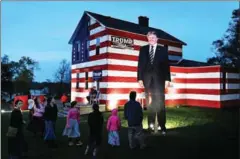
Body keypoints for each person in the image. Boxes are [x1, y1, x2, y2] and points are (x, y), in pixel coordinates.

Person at [137, 31, 171, 134]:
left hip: (159, 80)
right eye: (149, 37)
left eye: (153, 37)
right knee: (149, 103)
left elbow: (166, 66)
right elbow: (140, 65)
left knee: (160, 103)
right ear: (147, 39)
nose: (151, 39)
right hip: (147, 80)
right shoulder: (143, 49)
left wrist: (167, 79)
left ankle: (162, 126)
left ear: (157, 39)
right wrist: (139, 78)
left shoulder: (163, 50)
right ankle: (150, 125)